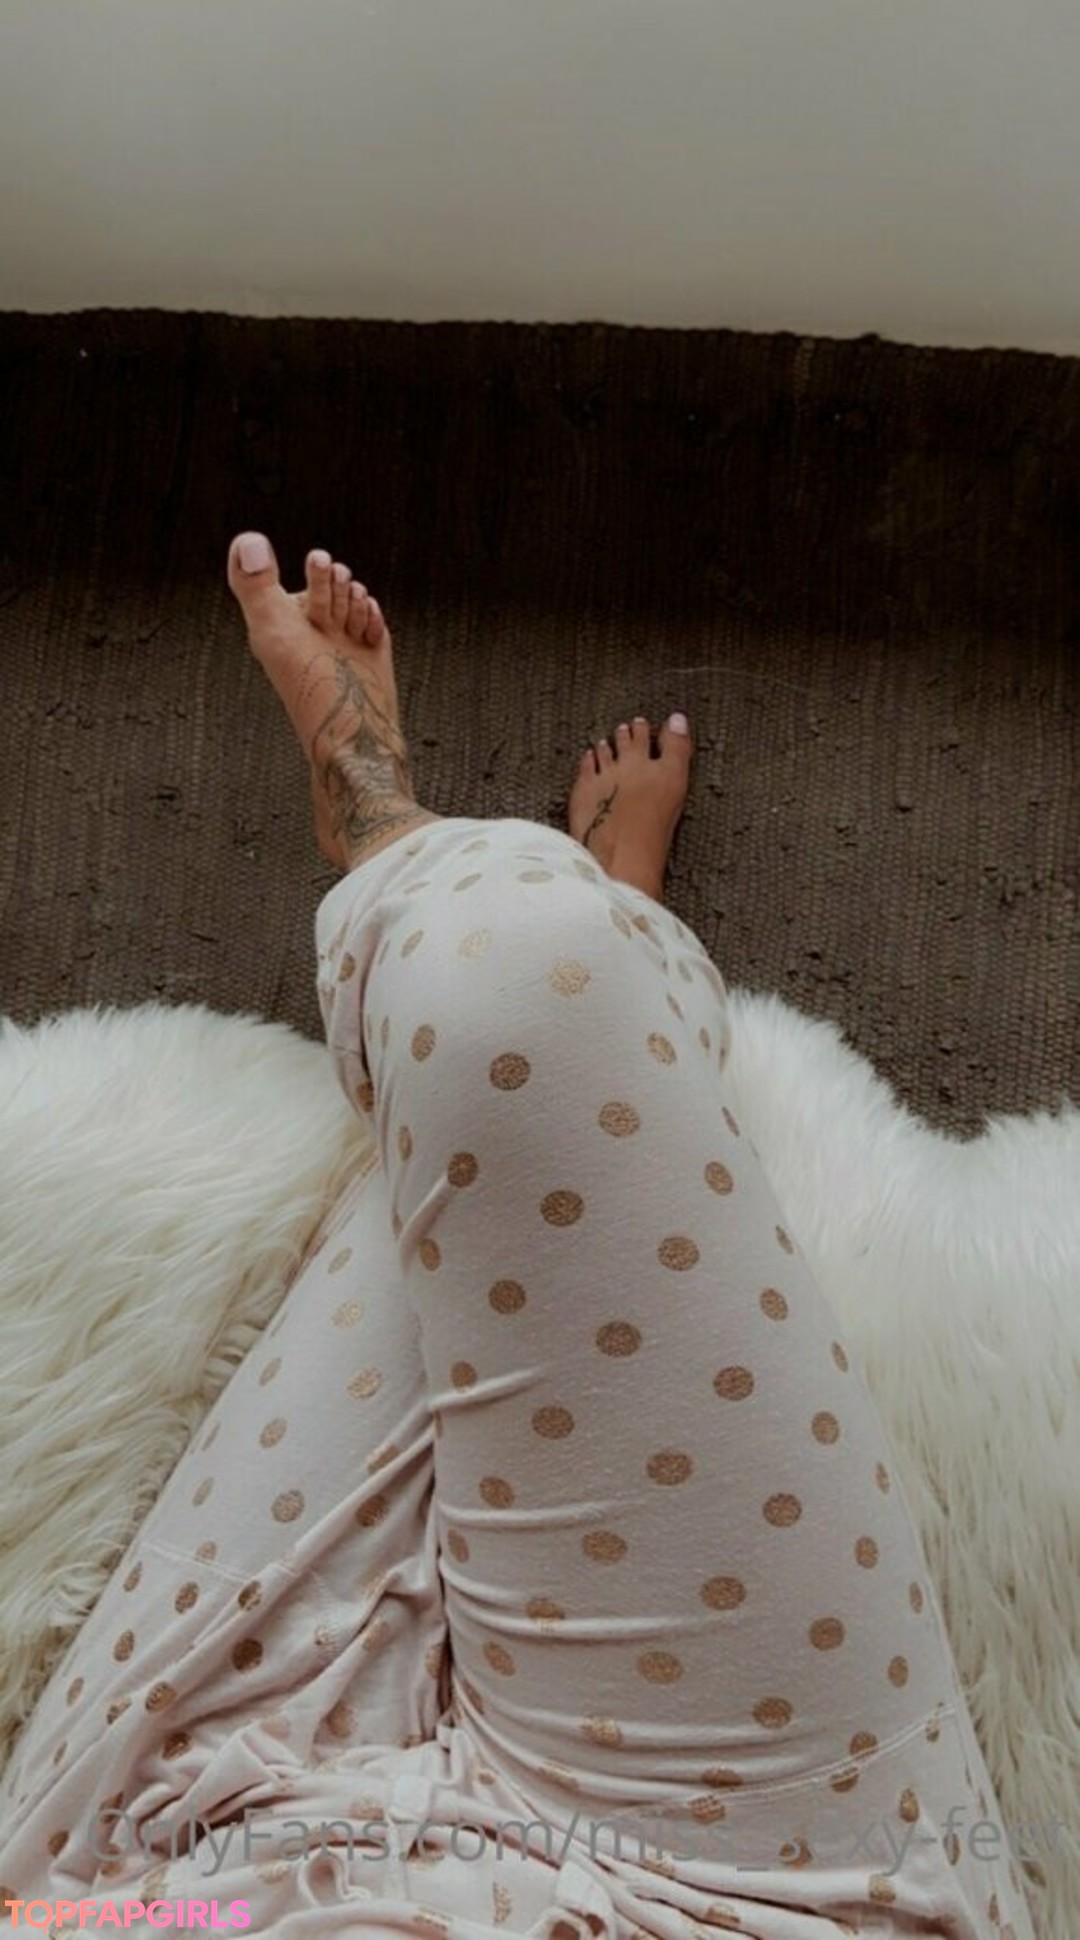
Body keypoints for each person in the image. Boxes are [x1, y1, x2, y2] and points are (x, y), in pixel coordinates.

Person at [0, 534, 1033, 1940]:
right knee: (536, 980)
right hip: (748, 1890)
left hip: (173, 1865)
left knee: (500, 1033)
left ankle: (382, 813)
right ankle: (601, 937)